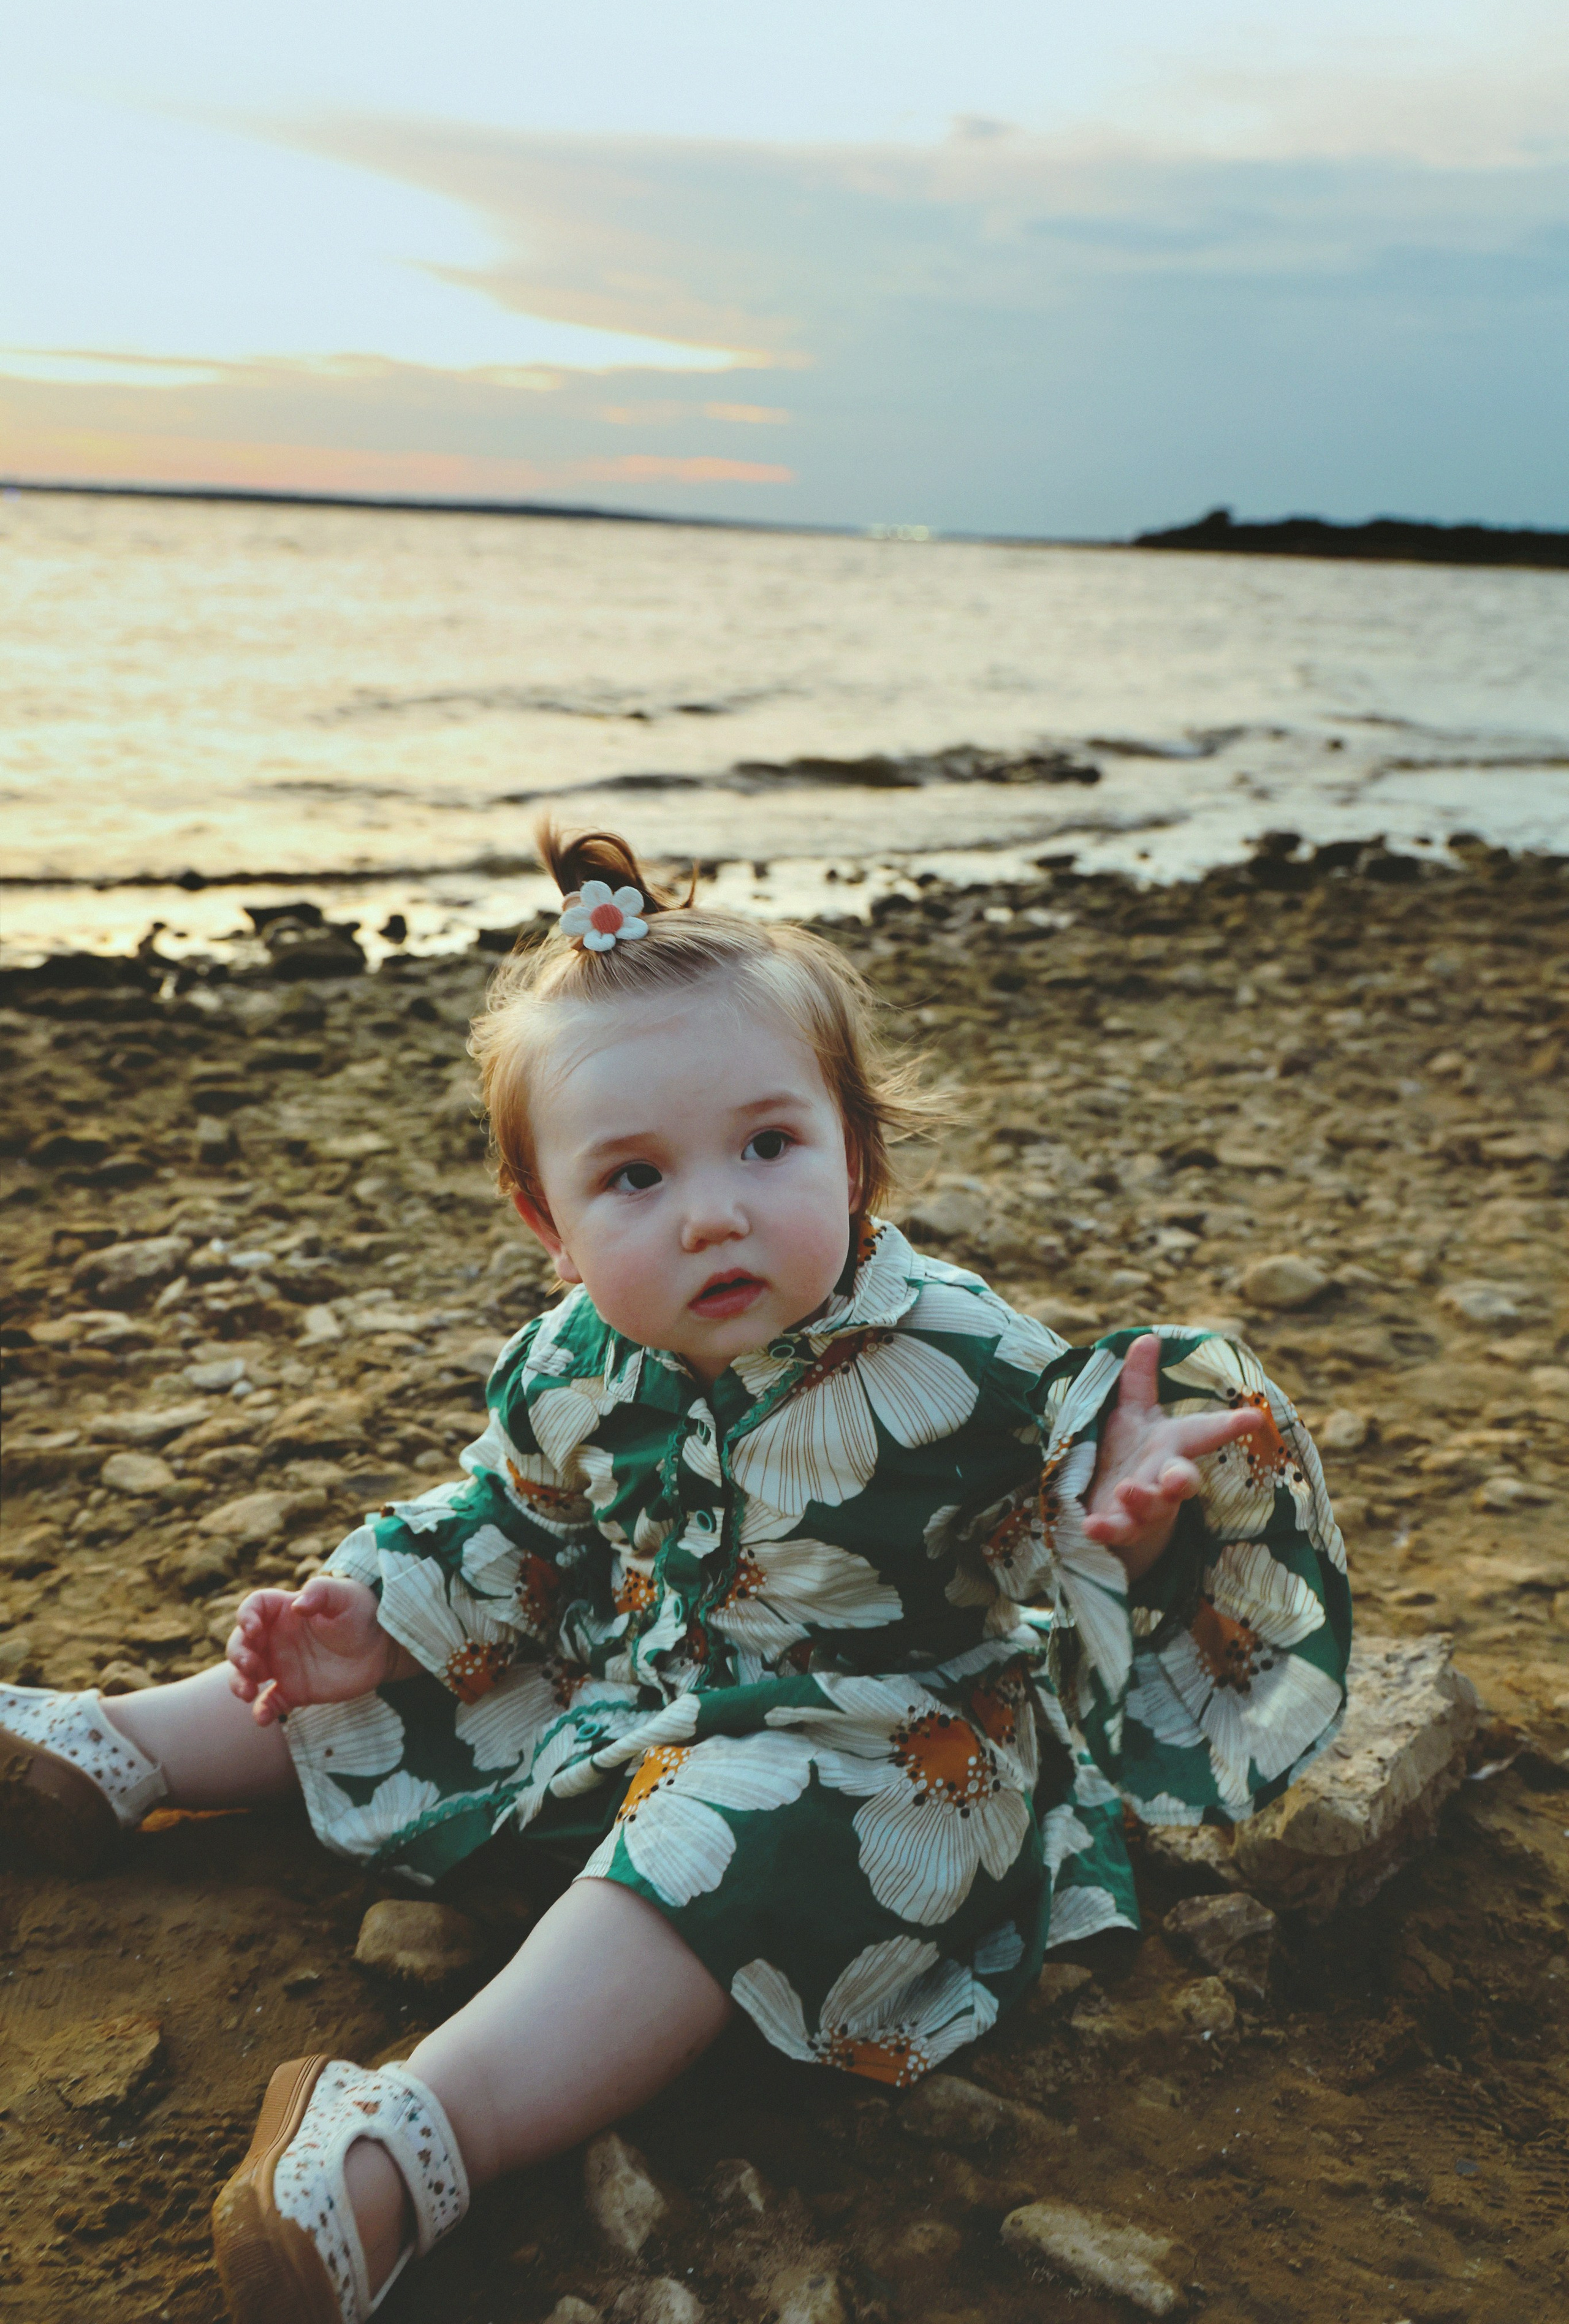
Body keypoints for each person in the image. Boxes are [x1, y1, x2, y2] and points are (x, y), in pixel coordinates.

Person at [0, 826, 1352, 2324]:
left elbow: (1058, 1539)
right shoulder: (573, 1360)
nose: (712, 1211)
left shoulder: (957, 1357)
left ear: (855, 1151)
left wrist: (1130, 1516)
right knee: (406, 1600)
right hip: (638, 1663)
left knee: (722, 1837)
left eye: (767, 1147)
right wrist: (362, 1634)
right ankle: (123, 1745)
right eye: (634, 1176)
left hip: (880, 1737)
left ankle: (418, 2135)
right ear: (550, 1228)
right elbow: (507, 1531)